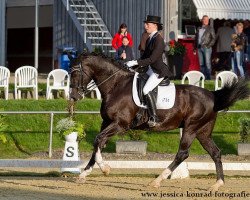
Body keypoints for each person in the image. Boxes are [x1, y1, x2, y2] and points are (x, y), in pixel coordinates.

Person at [126, 15, 172, 127]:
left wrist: (136, 63)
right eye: (145, 24)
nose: (145, 26)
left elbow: (152, 59)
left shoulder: (159, 40)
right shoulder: (150, 38)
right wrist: (133, 63)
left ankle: (154, 117)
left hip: (158, 71)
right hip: (151, 69)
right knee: (137, 80)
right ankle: (140, 111)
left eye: (148, 24)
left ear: (155, 26)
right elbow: (145, 56)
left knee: (146, 89)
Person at [194, 15, 216, 80]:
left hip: (207, 48)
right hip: (199, 48)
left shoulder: (210, 28)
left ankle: (208, 78)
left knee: (207, 63)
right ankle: (203, 78)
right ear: (202, 20)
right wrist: (195, 47)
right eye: (205, 19)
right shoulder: (199, 28)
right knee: (201, 64)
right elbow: (196, 38)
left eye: (207, 20)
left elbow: (213, 38)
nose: (206, 21)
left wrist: (208, 46)